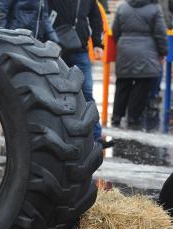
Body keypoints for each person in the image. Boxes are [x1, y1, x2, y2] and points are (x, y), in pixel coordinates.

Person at [47, 0, 113, 149]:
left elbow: (96, 18)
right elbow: (43, 14)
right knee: (56, 93)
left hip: (80, 49)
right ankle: (58, 136)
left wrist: (98, 43)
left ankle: (96, 136)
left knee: (87, 93)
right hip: (57, 49)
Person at [111, 0, 167, 129]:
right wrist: (163, 51)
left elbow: (115, 31)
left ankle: (116, 117)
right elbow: (160, 33)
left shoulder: (122, 7)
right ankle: (133, 118)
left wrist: (124, 42)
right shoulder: (155, 8)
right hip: (146, 52)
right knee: (142, 85)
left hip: (125, 50)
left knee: (123, 84)